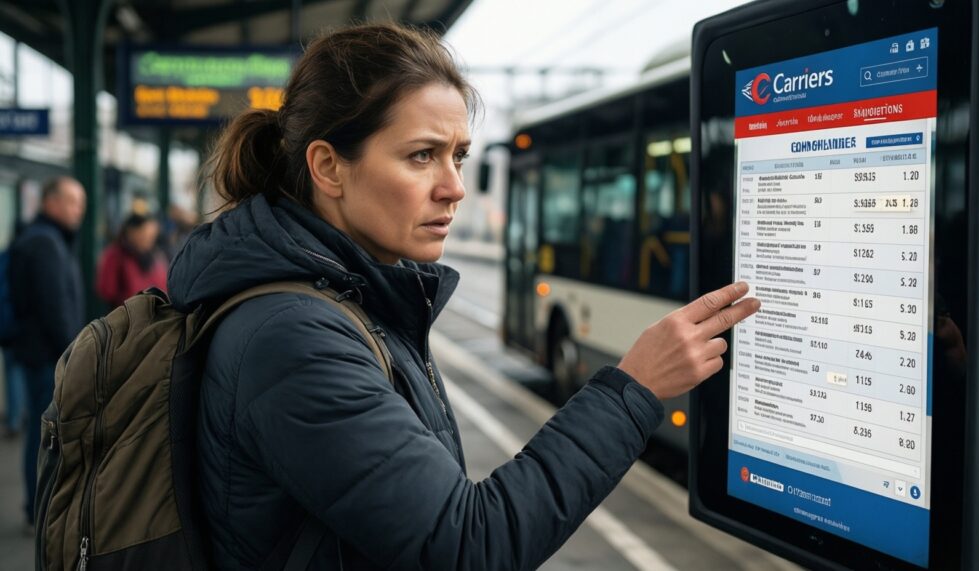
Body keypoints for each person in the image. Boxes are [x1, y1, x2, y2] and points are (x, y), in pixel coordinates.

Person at [167, 23, 759, 570]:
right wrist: (634, 388)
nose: (454, 188)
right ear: (328, 167)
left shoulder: (345, 300)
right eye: (422, 155)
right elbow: (467, 545)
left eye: (458, 156)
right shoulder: (293, 339)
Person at [9, 175, 86, 530]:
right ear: (49, 202)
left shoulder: (44, 239)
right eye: (72, 202)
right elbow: (54, 307)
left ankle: (38, 508)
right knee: (45, 435)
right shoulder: (45, 244)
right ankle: (38, 510)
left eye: (81, 203)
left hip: (39, 353)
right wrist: (73, 355)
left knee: (43, 433)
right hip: (48, 357)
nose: (78, 210)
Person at [96, 212, 168, 307]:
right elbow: (106, 290)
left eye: (152, 236)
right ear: (132, 232)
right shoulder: (116, 255)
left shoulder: (156, 257)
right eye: (145, 235)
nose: (149, 240)